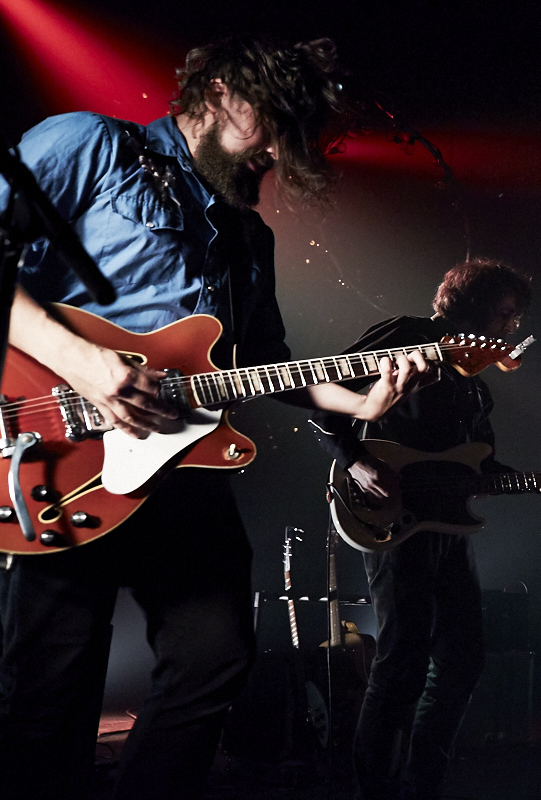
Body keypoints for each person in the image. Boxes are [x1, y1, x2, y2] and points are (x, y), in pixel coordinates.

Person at [0, 37, 433, 800]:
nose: (276, 149)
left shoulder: (246, 235)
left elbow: (267, 362)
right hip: (56, 447)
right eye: (272, 123)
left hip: (179, 468)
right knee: (50, 688)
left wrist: (359, 402)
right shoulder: (93, 146)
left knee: (217, 660)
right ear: (223, 88)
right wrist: (86, 364)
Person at [309, 258, 541, 800]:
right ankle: (372, 790)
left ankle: (420, 783)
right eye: (505, 314)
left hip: (448, 531)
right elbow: (318, 394)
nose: (511, 329)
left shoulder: (476, 387)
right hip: (394, 520)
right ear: (471, 307)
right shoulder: (407, 335)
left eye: (515, 318)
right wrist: (356, 460)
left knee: (463, 660)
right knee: (401, 661)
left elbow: (479, 470)